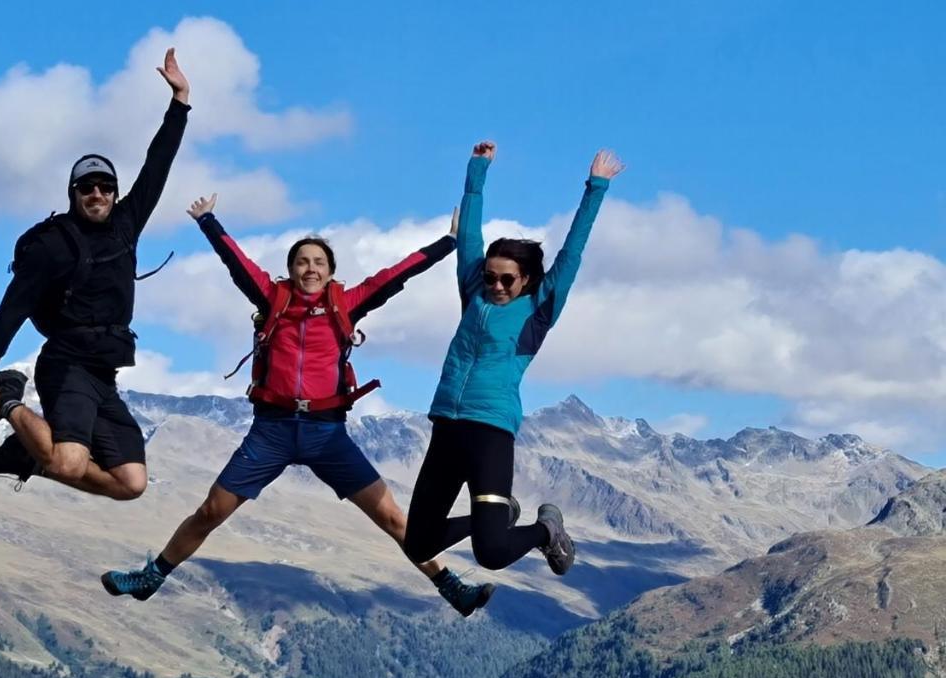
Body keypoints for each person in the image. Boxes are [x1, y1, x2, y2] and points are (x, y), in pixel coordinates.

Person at [100, 192, 496, 616]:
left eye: (318, 262)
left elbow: (394, 276)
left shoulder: (347, 304)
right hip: (272, 430)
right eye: (302, 262)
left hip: (327, 434)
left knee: (394, 519)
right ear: (290, 269)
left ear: (330, 272)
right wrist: (208, 221)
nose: (310, 268)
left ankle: (452, 588)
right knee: (210, 511)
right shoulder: (273, 299)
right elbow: (237, 262)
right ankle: (151, 578)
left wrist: (448, 243)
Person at [0, 49, 190, 501]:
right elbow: (14, 306)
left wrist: (180, 101)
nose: (97, 193)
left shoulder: (127, 222)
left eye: (105, 186)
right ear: (73, 193)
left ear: (115, 192)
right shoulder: (53, 244)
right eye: (87, 187)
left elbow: (158, 163)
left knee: (131, 485)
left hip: (104, 370)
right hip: (66, 363)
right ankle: (9, 398)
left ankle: (26, 455)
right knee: (67, 461)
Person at [402, 141, 624, 578]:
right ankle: (501, 516)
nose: (497, 286)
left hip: (490, 433)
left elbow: (571, 254)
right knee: (418, 542)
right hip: (446, 426)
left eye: (507, 279)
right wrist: (477, 170)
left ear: (525, 280)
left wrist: (595, 187)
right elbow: (469, 236)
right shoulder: (473, 294)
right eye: (490, 277)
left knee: (492, 554)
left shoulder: (537, 311)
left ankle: (545, 530)